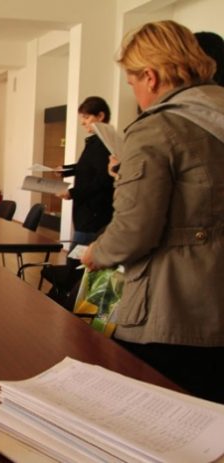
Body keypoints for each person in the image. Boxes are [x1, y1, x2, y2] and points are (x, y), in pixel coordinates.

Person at [81, 20, 224, 403]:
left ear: (151, 76)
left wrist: (97, 252)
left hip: (175, 311)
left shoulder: (158, 128)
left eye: (132, 84)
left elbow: (134, 230)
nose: (137, 95)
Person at [57, 96, 115, 252]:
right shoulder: (95, 141)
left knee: (75, 260)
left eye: (86, 117)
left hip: (94, 213)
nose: (82, 122)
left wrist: (72, 192)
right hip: (86, 211)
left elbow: (102, 180)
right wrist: (66, 169)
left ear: (100, 116)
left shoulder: (105, 143)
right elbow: (86, 166)